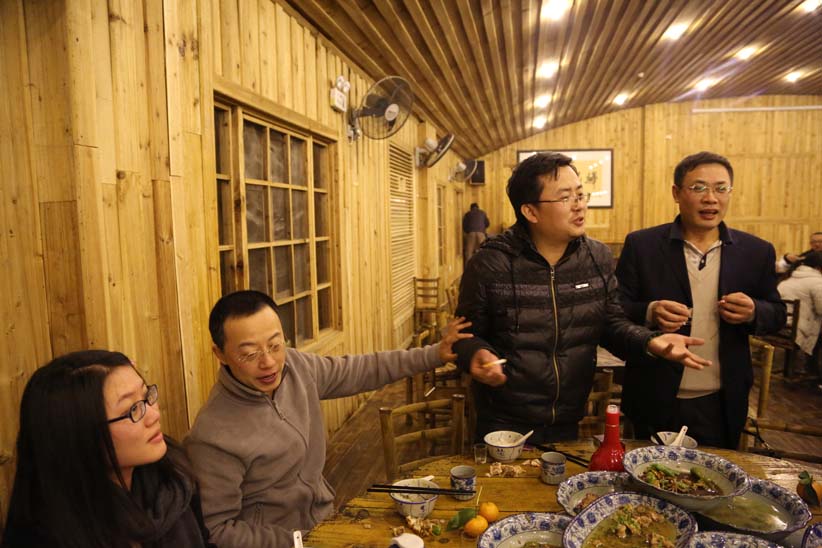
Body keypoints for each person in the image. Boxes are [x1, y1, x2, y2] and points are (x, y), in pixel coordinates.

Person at [452, 152, 710, 446]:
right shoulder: (490, 263)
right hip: (502, 419)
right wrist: (475, 353)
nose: (579, 205)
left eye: (580, 194)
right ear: (531, 212)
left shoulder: (596, 257)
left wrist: (650, 341)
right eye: (565, 198)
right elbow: (463, 337)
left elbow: (610, 324)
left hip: (570, 415)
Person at [184, 290, 471, 547]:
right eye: (249, 354)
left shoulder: (297, 367)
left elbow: (360, 370)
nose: (268, 362)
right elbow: (217, 530)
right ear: (220, 354)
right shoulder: (213, 436)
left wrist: (434, 354)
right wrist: (297, 542)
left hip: (325, 520)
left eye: (275, 345)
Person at [616, 151, 786, 449]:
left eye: (721, 188)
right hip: (653, 393)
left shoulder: (756, 251)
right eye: (698, 188)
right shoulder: (643, 245)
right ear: (676, 193)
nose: (711, 198)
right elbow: (616, 308)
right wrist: (650, 311)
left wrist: (754, 311)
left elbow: (777, 313)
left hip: (721, 400)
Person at [2, 350, 212, 548]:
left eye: (146, 395)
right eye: (132, 409)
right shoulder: (47, 535)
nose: (154, 415)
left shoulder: (172, 480)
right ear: (79, 435)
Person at [777, 250, 822, 374]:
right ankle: (814, 371)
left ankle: (806, 368)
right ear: (819, 267)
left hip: (779, 326)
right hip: (794, 330)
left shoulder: (789, 278)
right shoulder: (817, 281)